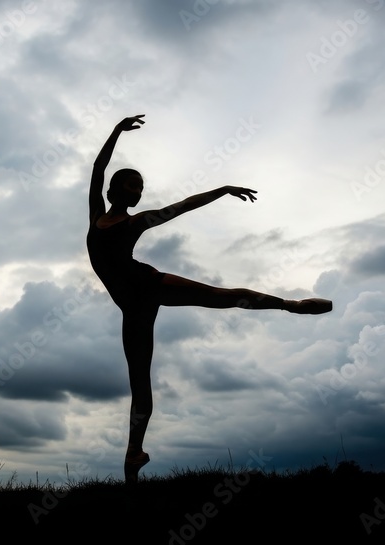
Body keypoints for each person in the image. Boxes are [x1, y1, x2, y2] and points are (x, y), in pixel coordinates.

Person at [86, 114, 332, 484]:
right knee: (140, 383)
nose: (137, 191)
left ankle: (290, 305)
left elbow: (184, 205)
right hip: (133, 307)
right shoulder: (96, 217)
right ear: (114, 191)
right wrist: (117, 131)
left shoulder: (139, 222)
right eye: (132, 184)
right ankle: (133, 459)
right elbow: (98, 167)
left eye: (140, 187)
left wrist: (222, 190)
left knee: (222, 296)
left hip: (149, 285)